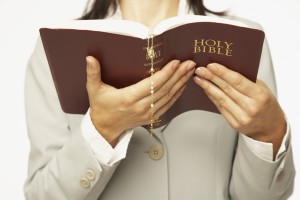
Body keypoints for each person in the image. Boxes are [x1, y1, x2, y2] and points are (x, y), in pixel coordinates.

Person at [24, 0, 295, 199]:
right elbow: (41, 195)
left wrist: (269, 132)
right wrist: (102, 130)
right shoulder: (57, 48)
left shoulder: (244, 40)